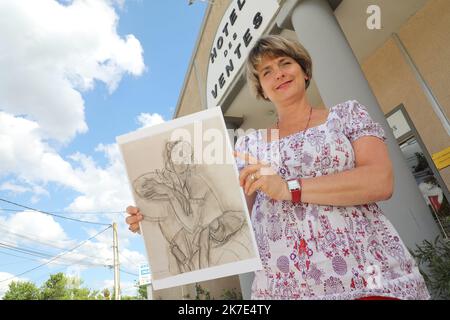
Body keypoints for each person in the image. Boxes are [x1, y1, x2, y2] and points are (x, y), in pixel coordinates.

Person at [126, 35, 430, 300]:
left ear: (304, 69)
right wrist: (154, 221)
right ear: (261, 89)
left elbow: (379, 180)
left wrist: (290, 188)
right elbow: (227, 215)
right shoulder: (250, 144)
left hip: (367, 277)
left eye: (285, 63)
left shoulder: (346, 116)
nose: (278, 75)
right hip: (282, 287)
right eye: (266, 72)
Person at [128, 139, 251, 275]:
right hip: (180, 256)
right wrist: (171, 192)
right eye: (179, 154)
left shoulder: (196, 181)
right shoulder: (161, 179)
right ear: (169, 158)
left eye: (187, 155)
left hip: (202, 245)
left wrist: (174, 197)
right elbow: (139, 185)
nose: (184, 159)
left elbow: (191, 225)